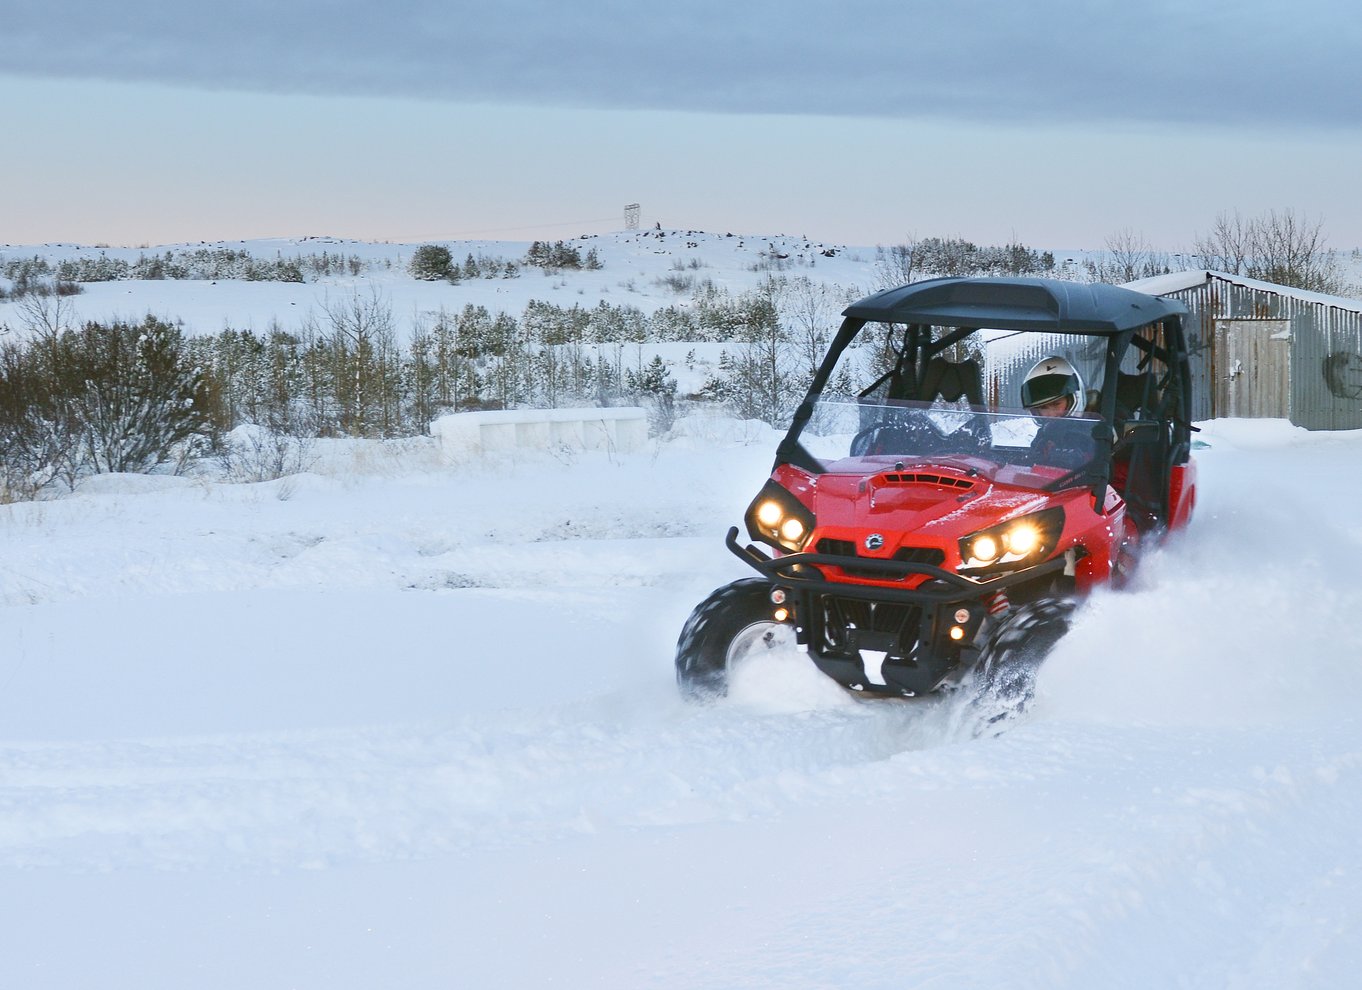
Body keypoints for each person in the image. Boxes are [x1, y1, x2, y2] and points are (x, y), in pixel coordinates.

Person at [1020, 356, 1084, 417]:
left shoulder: (1091, 426)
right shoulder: (1041, 428)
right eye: (1043, 408)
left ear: (1072, 400)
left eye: (1056, 404)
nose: (1051, 414)